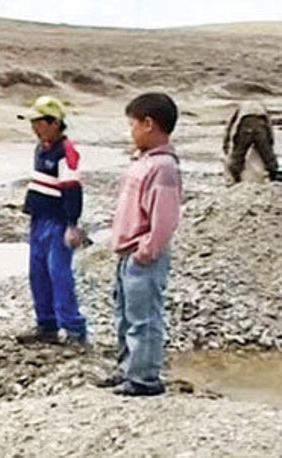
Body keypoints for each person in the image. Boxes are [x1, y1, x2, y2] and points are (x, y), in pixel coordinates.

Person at [97, 93, 182, 397]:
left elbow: (165, 217)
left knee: (144, 318)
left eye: (132, 125)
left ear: (148, 124)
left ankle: (145, 378)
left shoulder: (163, 167)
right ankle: (127, 370)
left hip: (141, 254)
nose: (130, 131)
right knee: (125, 316)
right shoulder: (141, 161)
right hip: (127, 252)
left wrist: (147, 250)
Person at [16, 96, 88, 346]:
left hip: (57, 222)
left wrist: (72, 224)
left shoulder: (65, 152)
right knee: (38, 274)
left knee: (59, 275)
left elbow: (72, 190)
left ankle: (74, 329)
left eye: (38, 123)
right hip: (39, 220)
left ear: (54, 123)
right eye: (33, 123)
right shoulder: (41, 148)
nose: (34, 128)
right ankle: (47, 325)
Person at [223, 101, 277, 183]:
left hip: (244, 125)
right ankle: (273, 175)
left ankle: (236, 178)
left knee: (238, 155)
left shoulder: (239, 108)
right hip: (261, 126)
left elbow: (229, 127)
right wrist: (270, 142)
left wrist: (226, 145)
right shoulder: (262, 108)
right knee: (267, 156)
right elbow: (269, 126)